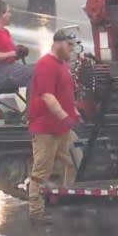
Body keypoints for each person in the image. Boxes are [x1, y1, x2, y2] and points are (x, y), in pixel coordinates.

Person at [26, 28, 80, 225]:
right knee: (41, 170)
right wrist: (64, 116)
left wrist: (74, 113)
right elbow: (48, 96)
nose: (71, 50)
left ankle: (69, 199)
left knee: (74, 162)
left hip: (62, 127)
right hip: (45, 128)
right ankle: (36, 212)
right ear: (58, 43)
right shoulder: (46, 65)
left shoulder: (62, 65)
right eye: (69, 45)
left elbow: (65, 93)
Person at [0, 0, 33, 91]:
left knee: (41, 69)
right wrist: (12, 53)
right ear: (1, 14)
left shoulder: (5, 31)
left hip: (10, 68)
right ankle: (34, 105)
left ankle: (34, 103)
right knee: (38, 72)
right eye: (8, 12)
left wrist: (19, 51)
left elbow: (9, 53)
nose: (10, 15)